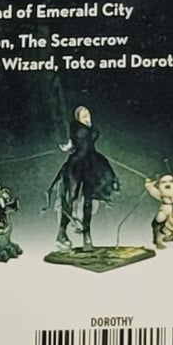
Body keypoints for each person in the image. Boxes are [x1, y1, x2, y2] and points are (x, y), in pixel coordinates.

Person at [48, 105, 119, 247]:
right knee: (71, 198)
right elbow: (77, 139)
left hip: (91, 163)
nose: (86, 113)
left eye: (87, 111)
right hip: (77, 164)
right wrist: (70, 145)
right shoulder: (76, 127)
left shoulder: (89, 126)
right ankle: (62, 233)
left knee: (88, 199)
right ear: (78, 117)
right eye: (82, 113)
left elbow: (83, 141)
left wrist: (71, 145)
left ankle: (87, 235)